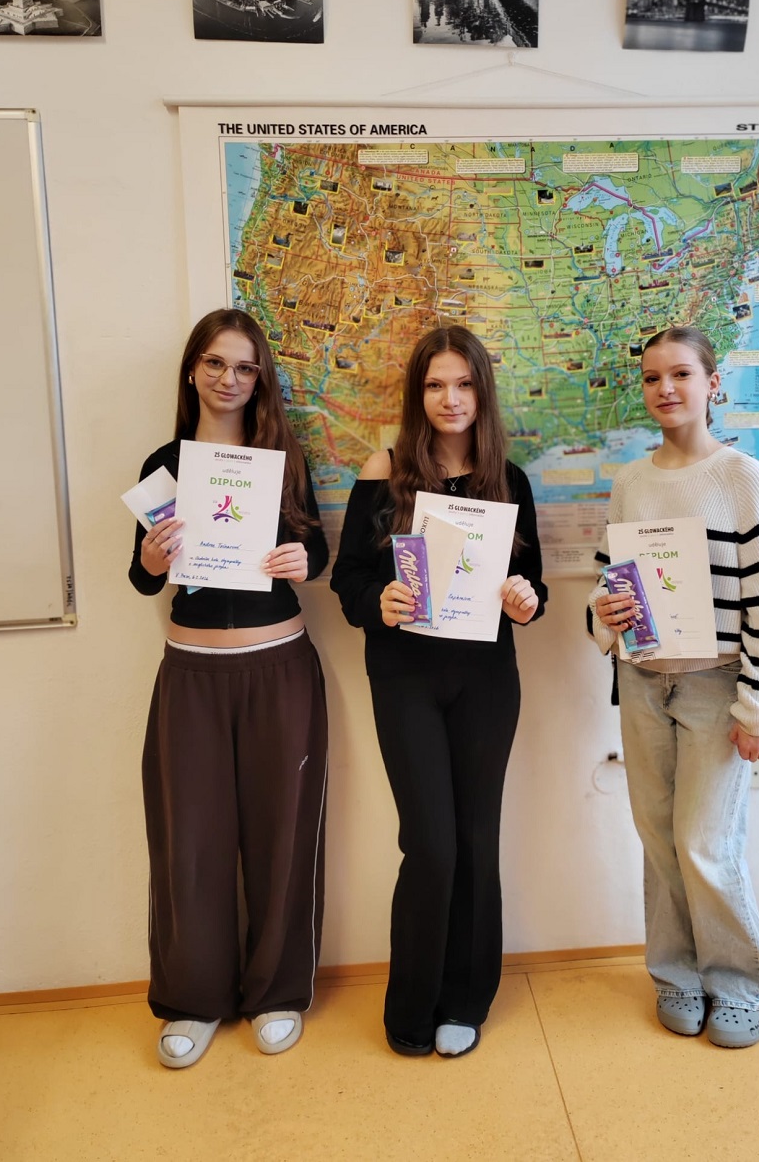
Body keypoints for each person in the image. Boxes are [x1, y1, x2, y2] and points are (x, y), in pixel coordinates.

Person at [330, 325, 547, 1059]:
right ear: (416, 394)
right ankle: (412, 1005)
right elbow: (347, 581)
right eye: (434, 385)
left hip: (486, 680)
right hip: (405, 679)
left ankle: (465, 1000)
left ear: (482, 391)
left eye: (463, 384)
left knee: (476, 841)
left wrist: (526, 599)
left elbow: (532, 585)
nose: (450, 399)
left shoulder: (509, 480)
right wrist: (378, 601)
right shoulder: (384, 470)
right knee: (429, 844)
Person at [589, 325, 759, 1049]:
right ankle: (676, 974)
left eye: (681, 374)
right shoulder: (631, 482)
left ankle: (740, 983)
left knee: (705, 842)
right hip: (643, 681)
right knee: (659, 839)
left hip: (717, 686)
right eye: (652, 377)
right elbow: (608, 581)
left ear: (713, 383)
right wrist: (604, 613)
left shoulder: (743, 478)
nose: (666, 388)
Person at [128, 308, 329, 1069]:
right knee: (190, 840)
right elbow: (141, 576)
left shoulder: (282, 458)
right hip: (192, 674)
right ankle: (192, 998)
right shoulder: (165, 464)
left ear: (260, 378)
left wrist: (302, 561)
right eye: (216, 363)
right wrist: (152, 558)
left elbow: (316, 551)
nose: (229, 378)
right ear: (193, 370)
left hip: (280, 666)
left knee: (283, 834)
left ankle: (277, 991)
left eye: (245, 367)